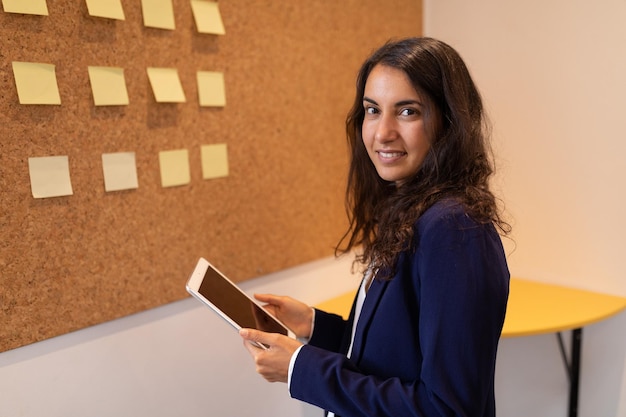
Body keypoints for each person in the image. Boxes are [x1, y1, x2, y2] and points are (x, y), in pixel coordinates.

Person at [239, 37, 511, 417]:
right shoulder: (412, 208)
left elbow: (448, 409)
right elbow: (390, 355)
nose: (382, 133)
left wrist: (301, 368)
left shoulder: (453, 228)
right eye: (372, 110)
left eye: (407, 112)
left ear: (449, 122)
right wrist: (313, 326)